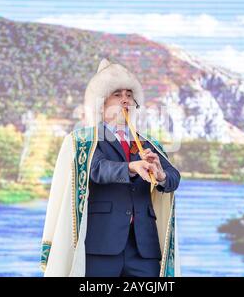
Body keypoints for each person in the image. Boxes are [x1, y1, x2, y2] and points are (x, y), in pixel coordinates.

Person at [40, 58, 181, 277]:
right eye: (117, 94)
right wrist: (132, 167)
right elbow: (96, 168)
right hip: (101, 246)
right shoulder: (85, 141)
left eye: (129, 95)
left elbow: (174, 178)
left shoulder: (148, 144)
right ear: (101, 102)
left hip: (145, 249)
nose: (125, 100)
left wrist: (161, 174)